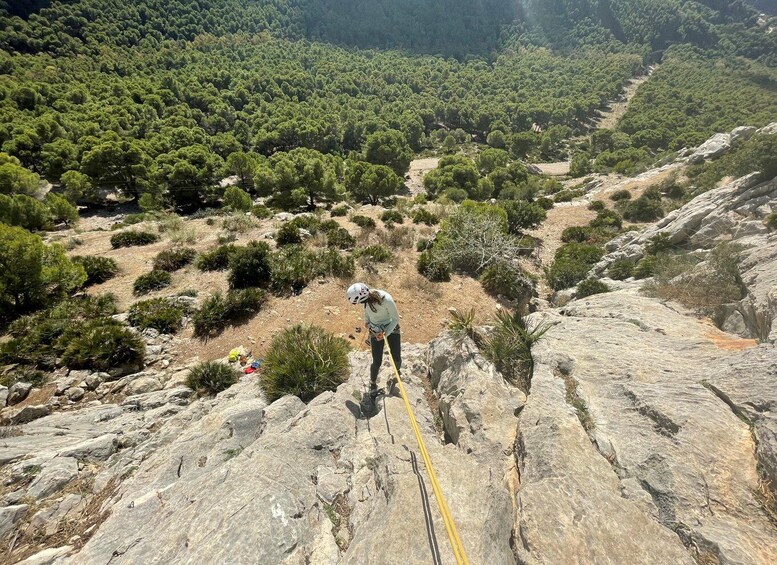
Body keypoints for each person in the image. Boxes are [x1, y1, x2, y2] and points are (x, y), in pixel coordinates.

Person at [346, 282, 401, 399]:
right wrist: (367, 322)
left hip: (391, 327)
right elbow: (367, 312)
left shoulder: (386, 299)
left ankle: (397, 375)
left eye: (361, 301)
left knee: (396, 357)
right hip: (375, 330)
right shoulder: (366, 299)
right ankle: (373, 383)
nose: (361, 304)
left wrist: (385, 334)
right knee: (377, 361)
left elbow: (395, 319)